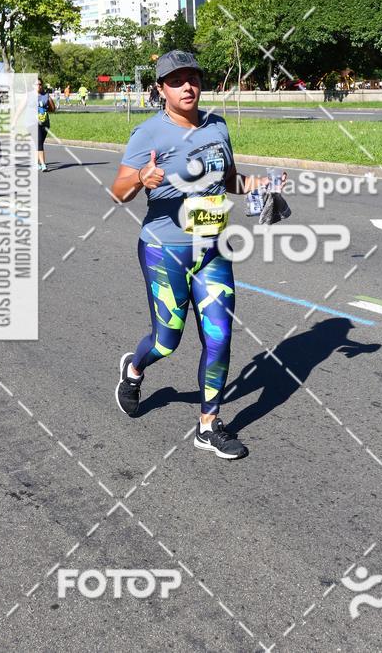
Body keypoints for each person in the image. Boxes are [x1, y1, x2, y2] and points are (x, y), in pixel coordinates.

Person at [110, 50, 282, 460]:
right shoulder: (148, 134)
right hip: (164, 249)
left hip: (213, 247)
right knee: (167, 342)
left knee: (219, 337)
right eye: (176, 80)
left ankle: (208, 425)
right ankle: (134, 369)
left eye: (193, 78)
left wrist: (261, 182)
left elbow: (229, 180)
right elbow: (118, 192)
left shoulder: (217, 126)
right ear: (160, 89)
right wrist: (140, 177)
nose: (187, 86)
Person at [37, 77, 56, 171]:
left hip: (45, 123)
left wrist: (50, 101)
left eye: (40, 84)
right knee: (39, 143)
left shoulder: (45, 95)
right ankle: (43, 164)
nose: (38, 86)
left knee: (39, 143)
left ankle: (36, 162)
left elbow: (53, 109)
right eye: (37, 84)